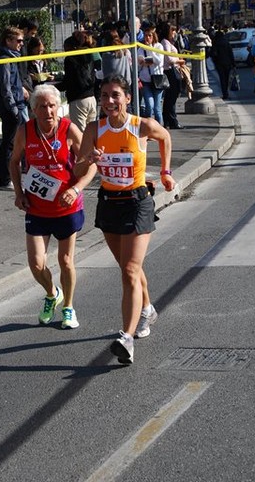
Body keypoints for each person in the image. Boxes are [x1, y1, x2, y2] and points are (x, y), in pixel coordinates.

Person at [74, 74, 175, 365]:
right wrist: (90, 158)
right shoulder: (94, 128)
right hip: (109, 204)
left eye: (115, 95)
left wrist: (166, 172)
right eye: (104, 96)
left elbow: (165, 136)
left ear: (127, 98)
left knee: (130, 270)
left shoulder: (141, 125)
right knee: (128, 267)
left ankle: (126, 338)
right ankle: (147, 309)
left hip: (137, 202)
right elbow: (80, 165)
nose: (109, 101)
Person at [10, 84, 96, 329]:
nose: (48, 111)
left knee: (66, 260)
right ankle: (52, 293)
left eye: (52, 105)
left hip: (66, 206)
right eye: (42, 106)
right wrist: (18, 192)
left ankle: (68, 307)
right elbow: (14, 161)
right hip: (36, 208)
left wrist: (75, 189)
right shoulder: (25, 131)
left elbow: (91, 165)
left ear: (59, 107)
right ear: (34, 109)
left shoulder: (70, 130)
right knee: (36, 264)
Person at [0, 26, 29, 189]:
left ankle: (14, 175)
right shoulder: (5, 59)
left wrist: (21, 89)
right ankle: (6, 179)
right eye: (19, 40)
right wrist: (14, 110)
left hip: (17, 104)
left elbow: (13, 83)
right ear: (8, 41)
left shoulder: (12, 57)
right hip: (11, 108)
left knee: (16, 142)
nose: (21, 44)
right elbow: (5, 87)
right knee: (9, 143)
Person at [57, 31, 97, 132]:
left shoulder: (70, 59)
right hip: (91, 97)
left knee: (79, 133)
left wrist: (53, 87)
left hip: (78, 99)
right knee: (92, 131)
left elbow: (68, 81)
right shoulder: (88, 55)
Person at [158, 22, 186, 128]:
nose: (174, 33)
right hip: (170, 71)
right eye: (172, 30)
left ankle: (169, 120)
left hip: (172, 69)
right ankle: (172, 119)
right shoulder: (165, 42)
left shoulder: (170, 42)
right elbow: (168, 58)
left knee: (171, 96)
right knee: (172, 96)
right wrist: (178, 60)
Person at [137, 26, 165, 124]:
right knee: (149, 105)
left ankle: (159, 129)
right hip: (145, 81)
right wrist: (146, 62)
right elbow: (139, 63)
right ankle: (147, 128)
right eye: (145, 36)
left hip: (157, 80)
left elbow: (158, 61)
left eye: (150, 36)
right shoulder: (141, 49)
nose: (147, 38)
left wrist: (151, 50)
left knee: (157, 108)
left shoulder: (159, 47)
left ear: (153, 36)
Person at [209, 29, 236, 100]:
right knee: (227, 79)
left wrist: (215, 61)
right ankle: (227, 92)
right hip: (228, 63)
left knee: (222, 79)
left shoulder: (215, 43)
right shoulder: (226, 42)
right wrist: (233, 64)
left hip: (219, 63)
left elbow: (212, 54)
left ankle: (225, 93)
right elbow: (231, 53)